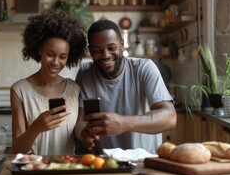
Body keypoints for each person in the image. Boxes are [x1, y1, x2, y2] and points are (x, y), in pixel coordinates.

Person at [74, 19, 176, 154]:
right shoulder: (85, 73)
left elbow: (170, 118)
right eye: (97, 50)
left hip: (144, 160)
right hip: (104, 162)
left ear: (122, 45)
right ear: (91, 52)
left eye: (112, 48)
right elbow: (80, 121)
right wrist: (83, 135)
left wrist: (124, 123)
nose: (105, 55)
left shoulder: (144, 68)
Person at [10, 10, 87, 155]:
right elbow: (17, 149)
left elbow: (77, 133)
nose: (56, 62)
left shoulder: (74, 89)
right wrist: (36, 128)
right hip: (34, 171)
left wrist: (87, 135)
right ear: (40, 50)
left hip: (67, 170)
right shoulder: (19, 90)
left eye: (63, 57)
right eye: (50, 55)